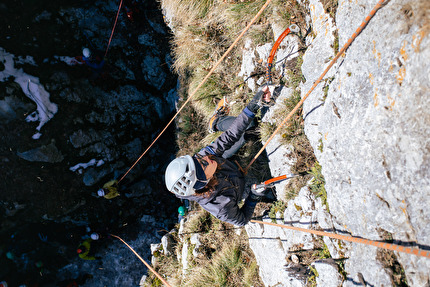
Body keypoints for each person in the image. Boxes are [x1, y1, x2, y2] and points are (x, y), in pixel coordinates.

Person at [165, 86, 273, 227]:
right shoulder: (221, 208)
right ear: (202, 183)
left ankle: (216, 122)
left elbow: (229, 136)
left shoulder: (205, 158)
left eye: (197, 159)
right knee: (271, 192)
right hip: (240, 185)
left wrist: (253, 106)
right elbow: (242, 220)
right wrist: (253, 197)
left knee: (250, 126)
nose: (205, 158)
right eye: (203, 165)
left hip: (227, 163)